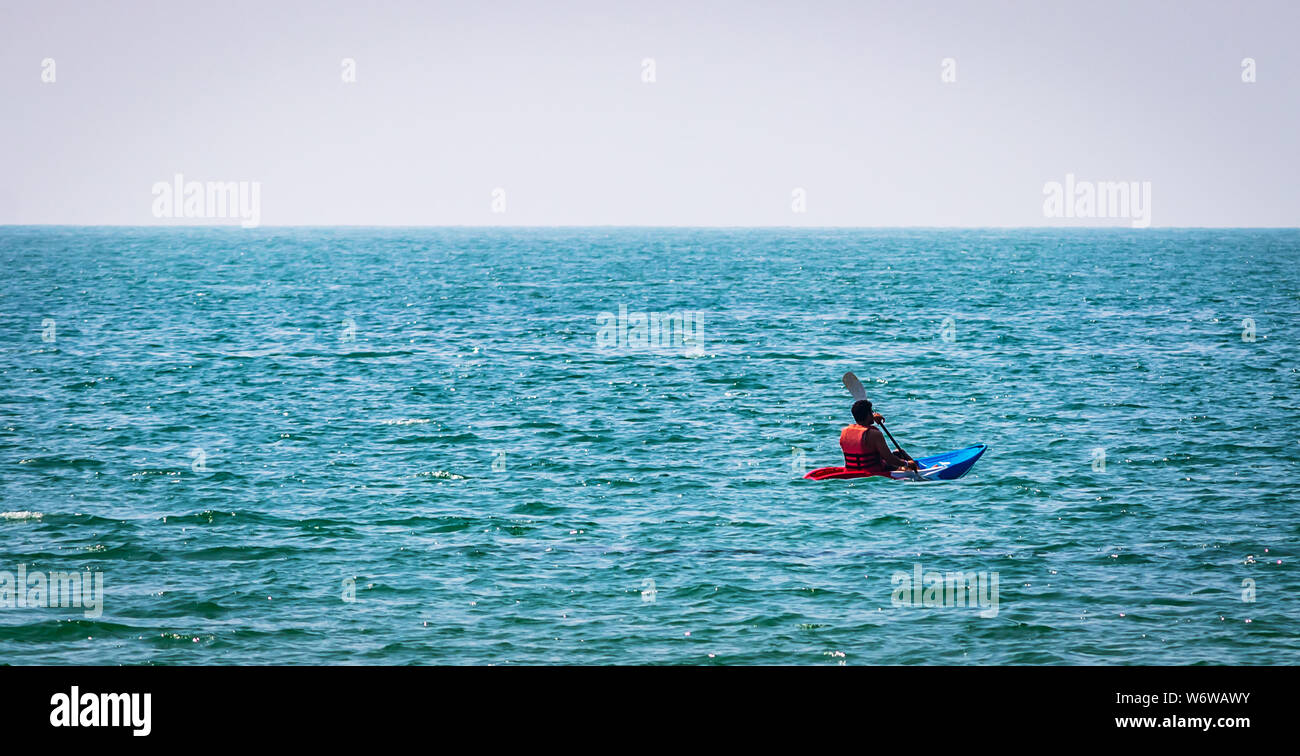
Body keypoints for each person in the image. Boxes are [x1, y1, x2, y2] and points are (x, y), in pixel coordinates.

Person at [840, 399, 918, 474]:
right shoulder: (874, 434)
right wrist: (907, 464)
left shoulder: (845, 431)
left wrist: (872, 419)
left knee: (898, 452)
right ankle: (918, 470)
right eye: (871, 412)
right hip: (874, 470)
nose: (873, 414)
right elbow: (889, 459)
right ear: (868, 414)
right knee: (902, 455)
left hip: (852, 469)